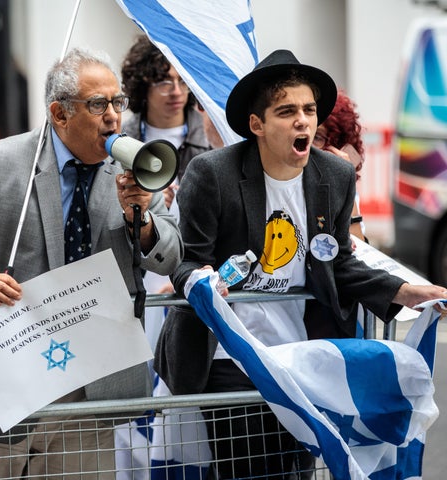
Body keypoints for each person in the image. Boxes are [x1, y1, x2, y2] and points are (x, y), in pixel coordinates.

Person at [154, 49, 447, 479]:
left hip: (302, 357)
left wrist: (405, 291)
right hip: (229, 358)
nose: (303, 121)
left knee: (299, 470)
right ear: (257, 124)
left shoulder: (334, 175)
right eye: (286, 111)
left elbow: (340, 263)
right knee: (250, 472)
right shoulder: (211, 173)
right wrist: (202, 280)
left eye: (309, 110)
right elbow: (185, 263)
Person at [0, 47, 183, 479]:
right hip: (2, 386)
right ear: (59, 114)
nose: (113, 117)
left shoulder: (131, 170)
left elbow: (169, 256)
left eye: (118, 103)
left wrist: (143, 219)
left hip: (87, 391)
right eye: (98, 105)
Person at [120, 34, 213, 211]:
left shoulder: (212, 140)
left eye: (182, 81)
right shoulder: (121, 141)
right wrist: (151, 201)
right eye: (165, 82)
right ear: (143, 86)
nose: (177, 92)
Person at [313, 90, 367, 241]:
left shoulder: (339, 187)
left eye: (317, 137)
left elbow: (359, 250)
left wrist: (345, 184)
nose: (307, 144)